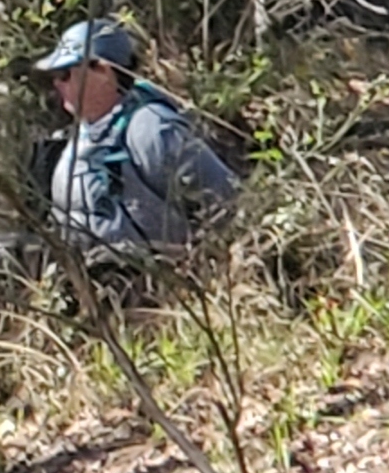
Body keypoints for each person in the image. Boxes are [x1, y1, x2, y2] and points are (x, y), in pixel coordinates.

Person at [34, 17, 238, 279]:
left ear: (103, 72)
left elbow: (226, 204)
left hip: (158, 290)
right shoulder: (78, 136)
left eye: (65, 74)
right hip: (91, 291)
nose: (57, 84)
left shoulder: (151, 129)